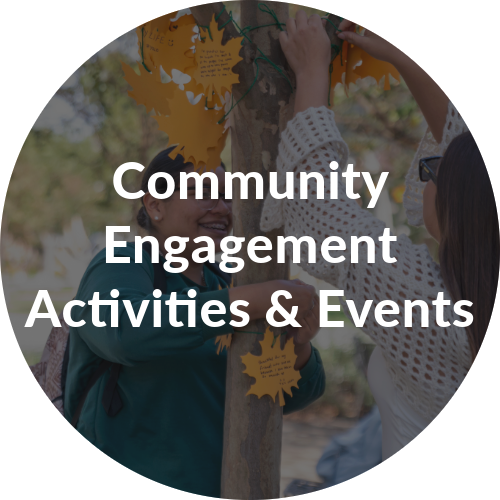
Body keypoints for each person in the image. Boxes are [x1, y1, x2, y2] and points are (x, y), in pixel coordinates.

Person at [261, 12, 498, 461]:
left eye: (432, 169)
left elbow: (318, 205)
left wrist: (313, 72)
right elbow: (466, 148)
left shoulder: (431, 307)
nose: (423, 174)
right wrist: (400, 58)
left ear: (460, 205)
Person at [64, 148, 326, 496]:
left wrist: (298, 344)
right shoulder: (121, 262)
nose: (221, 209)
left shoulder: (227, 284)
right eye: (202, 193)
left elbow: (278, 396)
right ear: (155, 205)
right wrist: (250, 301)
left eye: (227, 197)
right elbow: (123, 333)